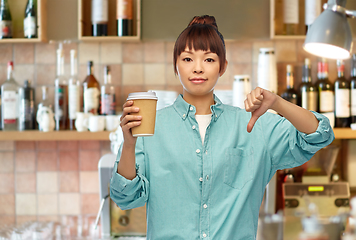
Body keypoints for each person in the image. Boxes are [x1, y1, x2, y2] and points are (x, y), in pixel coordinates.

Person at [110, 15, 334, 240]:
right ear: (175, 66)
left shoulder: (253, 125)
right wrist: (129, 144)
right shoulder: (150, 129)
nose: (197, 68)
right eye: (188, 59)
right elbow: (125, 198)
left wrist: (276, 102)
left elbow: (319, 134)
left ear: (223, 66)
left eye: (208, 59)